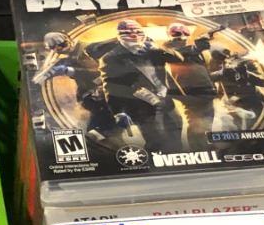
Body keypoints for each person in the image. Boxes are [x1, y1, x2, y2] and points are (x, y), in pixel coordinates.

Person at [83, 19, 180, 155]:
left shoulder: (151, 48)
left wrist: (157, 48)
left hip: (165, 98)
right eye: (128, 32)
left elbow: (178, 59)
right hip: (142, 106)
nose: (134, 35)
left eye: (138, 31)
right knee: (156, 141)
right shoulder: (111, 58)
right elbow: (111, 87)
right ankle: (151, 163)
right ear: (119, 36)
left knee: (175, 135)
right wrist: (118, 112)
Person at [160, 21, 227, 150]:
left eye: (184, 33)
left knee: (206, 127)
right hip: (193, 96)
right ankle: (201, 151)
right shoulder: (168, 52)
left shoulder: (193, 53)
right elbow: (183, 52)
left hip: (205, 95)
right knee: (197, 129)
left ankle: (207, 149)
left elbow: (202, 74)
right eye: (176, 33)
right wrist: (200, 42)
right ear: (169, 35)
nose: (181, 36)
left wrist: (222, 73)